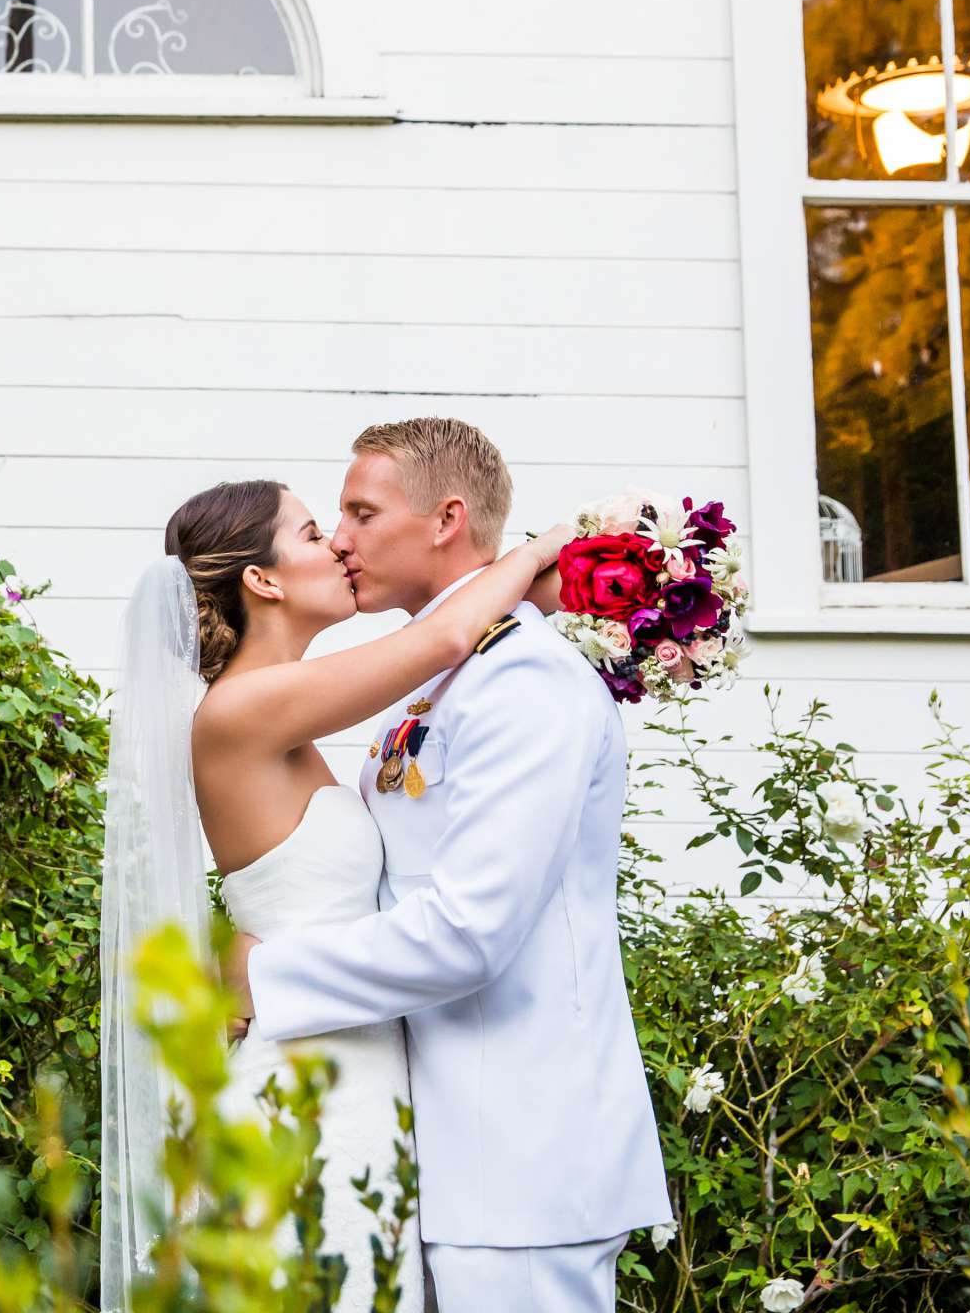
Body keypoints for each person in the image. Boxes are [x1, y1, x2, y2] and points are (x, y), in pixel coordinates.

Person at [98, 465, 568, 1313]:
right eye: (315, 534)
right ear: (263, 579)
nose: (342, 547)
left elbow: (447, 660)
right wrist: (554, 546)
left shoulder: (288, 712)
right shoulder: (240, 711)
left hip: (355, 1069)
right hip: (303, 1090)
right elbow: (443, 640)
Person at [227, 418, 672, 1313]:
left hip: (524, 1154)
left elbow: (471, 931)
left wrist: (264, 977)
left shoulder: (524, 682)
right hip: (443, 1139)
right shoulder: (446, 676)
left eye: (360, 511)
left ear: (445, 519)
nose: (342, 538)